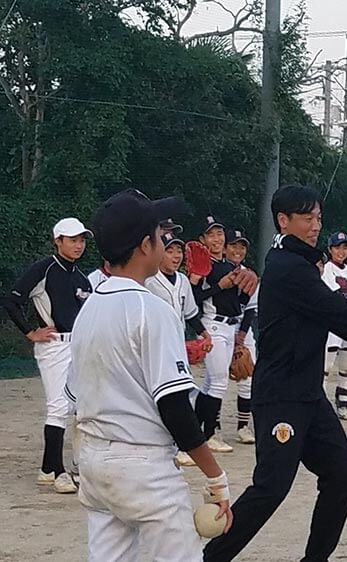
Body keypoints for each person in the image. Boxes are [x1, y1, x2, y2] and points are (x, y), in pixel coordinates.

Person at [203, 184, 347, 562]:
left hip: (308, 395)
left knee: (341, 477)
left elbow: (336, 315)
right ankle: (210, 559)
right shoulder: (289, 268)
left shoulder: (298, 262)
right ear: (283, 220)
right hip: (281, 397)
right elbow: (339, 315)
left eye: (318, 218)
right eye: (307, 218)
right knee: (272, 487)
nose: (314, 225)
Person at [67, 189, 232, 561]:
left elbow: (75, 394)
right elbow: (174, 408)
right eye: (161, 236)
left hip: (94, 464)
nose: (165, 242)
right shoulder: (151, 309)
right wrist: (215, 477)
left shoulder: (89, 308)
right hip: (142, 469)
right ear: (145, 246)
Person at [2, 217, 92, 494]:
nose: (78, 245)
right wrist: (30, 332)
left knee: (74, 406)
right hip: (53, 344)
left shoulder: (80, 277)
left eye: (81, 239)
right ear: (58, 241)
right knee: (57, 407)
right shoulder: (45, 268)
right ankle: (59, 473)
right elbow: (11, 299)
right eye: (72, 239)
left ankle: (47, 469)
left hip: (76, 344)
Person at [145, 228, 214, 466]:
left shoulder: (183, 281)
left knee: (184, 397)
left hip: (178, 349)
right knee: (165, 399)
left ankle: (178, 447)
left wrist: (204, 335)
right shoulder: (148, 281)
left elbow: (191, 314)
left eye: (178, 251)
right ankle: (168, 447)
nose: (175, 256)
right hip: (156, 350)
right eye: (169, 251)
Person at [190, 215, 257, 452]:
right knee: (217, 384)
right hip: (213, 325)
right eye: (211, 234)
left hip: (230, 326)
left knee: (211, 382)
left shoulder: (230, 267)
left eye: (219, 234)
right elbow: (192, 300)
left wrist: (247, 288)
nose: (217, 239)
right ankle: (208, 434)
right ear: (203, 240)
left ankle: (200, 432)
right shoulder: (201, 268)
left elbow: (239, 302)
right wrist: (220, 286)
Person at [221, 228, 258, 443]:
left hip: (242, 329)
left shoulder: (249, 274)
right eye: (233, 245)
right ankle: (213, 427)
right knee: (218, 382)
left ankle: (243, 427)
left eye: (242, 246)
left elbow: (252, 308)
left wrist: (242, 336)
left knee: (248, 379)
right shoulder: (217, 270)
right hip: (220, 326)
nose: (238, 250)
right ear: (225, 248)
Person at [320, 232, 347, 421]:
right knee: (326, 367)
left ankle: (342, 405)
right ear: (330, 249)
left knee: (346, 366)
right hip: (333, 323)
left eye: (344, 247)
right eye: (337, 247)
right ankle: (320, 406)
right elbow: (336, 296)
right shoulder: (327, 269)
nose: (341, 251)